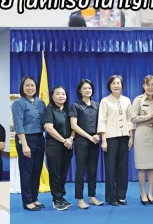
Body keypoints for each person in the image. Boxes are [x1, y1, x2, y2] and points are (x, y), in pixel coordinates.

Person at [98, 75, 134, 206]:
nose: (116, 85)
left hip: (124, 137)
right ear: (109, 86)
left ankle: (121, 195)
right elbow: (102, 121)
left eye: (118, 83)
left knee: (123, 168)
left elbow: (130, 119)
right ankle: (111, 197)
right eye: (113, 83)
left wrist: (131, 137)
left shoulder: (127, 100)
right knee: (110, 168)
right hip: (110, 138)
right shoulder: (105, 101)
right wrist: (104, 140)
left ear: (122, 85)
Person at [12, 76, 46, 211]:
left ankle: (34, 198)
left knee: (37, 170)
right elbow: (18, 124)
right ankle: (27, 201)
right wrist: (24, 144)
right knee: (27, 171)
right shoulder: (18, 103)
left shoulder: (40, 102)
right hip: (25, 139)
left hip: (40, 138)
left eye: (32, 85)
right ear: (22, 87)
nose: (30, 88)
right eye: (27, 85)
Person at [70, 79, 103, 209]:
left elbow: (101, 123)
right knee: (80, 170)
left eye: (89, 88)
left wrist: (98, 135)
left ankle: (92, 196)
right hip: (81, 141)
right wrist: (90, 137)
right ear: (80, 91)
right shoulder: (76, 105)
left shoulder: (97, 105)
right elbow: (74, 126)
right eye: (85, 88)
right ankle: (80, 199)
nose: (88, 90)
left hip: (95, 141)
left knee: (92, 170)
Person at [131, 75, 153, 205]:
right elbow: (133, 119)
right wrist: (149, 116)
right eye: (148, 85)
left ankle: (150, 193)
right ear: (143, 86)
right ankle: (143, 193)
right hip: (142, 135)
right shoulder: (138, 100)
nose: (150, 87)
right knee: (142, 167)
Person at [43, 86, 74, 210]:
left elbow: (74, 126)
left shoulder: (68, 110)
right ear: (52, 96)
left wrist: (70, 139)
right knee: (55, 173)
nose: (61, 96)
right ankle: (56, 199)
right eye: (58, 94)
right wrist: (63, 140)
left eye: (63, 94)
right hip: (54, 145)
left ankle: (61, 195)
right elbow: (49, 128)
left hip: (68, 145)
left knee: (63, 173)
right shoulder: (49, 109)